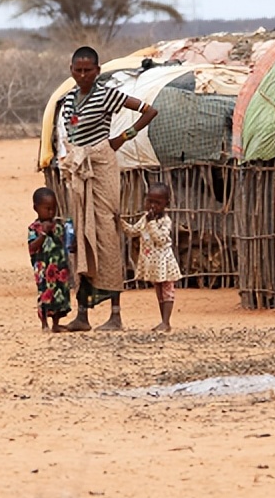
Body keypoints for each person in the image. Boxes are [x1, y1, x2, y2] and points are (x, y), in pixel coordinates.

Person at [57, 46, 158, 332]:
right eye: (78, 70)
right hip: (79, 172)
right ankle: (83, 316)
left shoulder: (108, 94)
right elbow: (71, 134)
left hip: (101, 168)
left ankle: (115, 315)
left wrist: (121, 139)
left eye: (88, 70)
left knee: (106, 236)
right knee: (82, 240)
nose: (83, 74)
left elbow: (149, 110)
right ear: (71, 70)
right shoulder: (67, 101)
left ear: (98, 71)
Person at [121, 181, 182, 332]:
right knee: (160, 293)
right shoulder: (145, 218)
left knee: (167, 292)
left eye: (157, 203)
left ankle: (166, 322)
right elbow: (133, 231)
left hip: (165, 263)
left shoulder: (165, 221)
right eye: (150, 201)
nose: (153, 206)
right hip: (154, 265)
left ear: (166, 204)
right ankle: (163, 321)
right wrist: (120, 222)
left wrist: (152, 223)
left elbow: (160, 239)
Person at [27, 187, 70, 332]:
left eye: (53, 209)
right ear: (36, 208)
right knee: (45, 295)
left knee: (59, 295)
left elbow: (64, 241)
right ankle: (44, 323)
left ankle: (56, 323)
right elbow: (32, 247)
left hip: (59, 268)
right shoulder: (34, 228)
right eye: (47, 209)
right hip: (43, 270)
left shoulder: (58, 225)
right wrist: (43, 234)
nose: (51, 212)